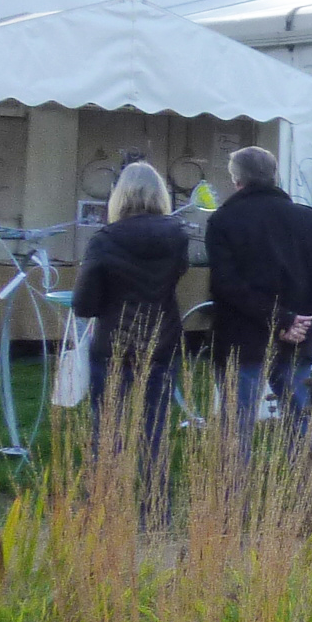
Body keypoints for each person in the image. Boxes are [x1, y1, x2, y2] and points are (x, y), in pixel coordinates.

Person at [205, 146, 312, 469]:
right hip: (296, 341)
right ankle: (310, 505)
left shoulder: (224, 221)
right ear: (274, 177)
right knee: (301, 426)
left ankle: (231, 507)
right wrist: (304, 322)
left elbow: (227, 286)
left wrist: (282, 320)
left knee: (236, 432)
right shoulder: (310, 221)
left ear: (236, 180)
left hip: (243, 341)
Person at [71, 160, 189, 512]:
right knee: (154, 433)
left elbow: (84, 304)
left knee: (108, 434)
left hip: (114, 347)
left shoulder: (105, 239)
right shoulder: (177, 235)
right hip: (161, 342)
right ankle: (155, 513)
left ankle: (105, 511)